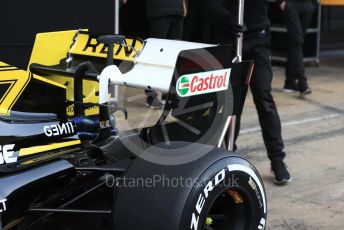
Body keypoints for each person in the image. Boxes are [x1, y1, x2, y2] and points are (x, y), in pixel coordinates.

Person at [208, 0, 292, 184]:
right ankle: (226, 157)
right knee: (230, 103)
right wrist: (228, 19)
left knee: (264, 98)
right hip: (229, 39)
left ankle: (278, 161)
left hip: (258, 39)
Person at [144, 0, 188, 109]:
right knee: (156, 55)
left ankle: (165, 95)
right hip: (162, 9)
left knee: (171, 55)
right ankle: (153, 95)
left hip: (176, 10)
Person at [279, 0, 317, 94]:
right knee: (296, 41)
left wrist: (314, 3)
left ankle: (290, 82)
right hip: (291, 4)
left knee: (296, 43)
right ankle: (302, 82)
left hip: (308, 4)